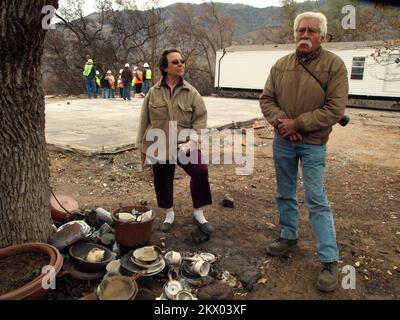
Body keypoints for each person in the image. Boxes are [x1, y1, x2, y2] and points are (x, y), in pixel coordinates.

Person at [259, 12, 349, 292]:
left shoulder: (335, 65)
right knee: (284, 192)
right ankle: (288, 236)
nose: (305, 35)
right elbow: (266, 100)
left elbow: (335, 108)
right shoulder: (280, 65)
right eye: (301, 30)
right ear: (295, 34)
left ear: (321, 35)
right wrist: (283, 125)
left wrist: (298, 123)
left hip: (313, 144)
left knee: (316, 199)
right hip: (283, 141)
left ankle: (329, 260)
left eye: (311, 31)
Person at [136, 49, 214, 235]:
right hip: (160, 144)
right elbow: (143, 121)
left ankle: (198, 213)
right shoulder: (153, 93)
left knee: (201, 171)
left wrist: (193, 141)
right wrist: (141, 147)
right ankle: (169, 214)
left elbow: (200, 118)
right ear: (164, 67)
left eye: (182, 61)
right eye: (175, 62)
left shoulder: (191, 92)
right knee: (162, 179)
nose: (181, 64)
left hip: (185, 145)